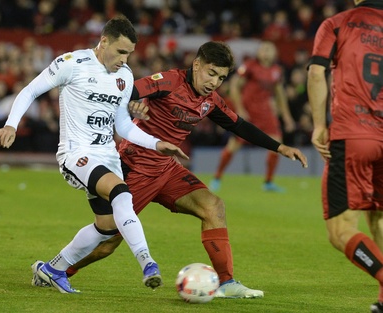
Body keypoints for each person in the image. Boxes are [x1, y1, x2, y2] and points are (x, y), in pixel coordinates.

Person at [32, 41, 309, 298]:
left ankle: (226, 282)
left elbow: (238, 125)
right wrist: (132, 105)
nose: (214, 82)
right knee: (108, 241)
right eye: (211, 73)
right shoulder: (168, 81)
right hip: (134, 167)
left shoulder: (209, 100)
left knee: (213, 207)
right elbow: (124, 88)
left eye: (221, 78)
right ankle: (56, 271)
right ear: (197, 64)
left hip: (166, 169)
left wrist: (280, 148)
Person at [0, 15, 189, 294]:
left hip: (107, 156)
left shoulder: (124, 76)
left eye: (129, 53)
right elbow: (30, 90)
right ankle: (148, 263)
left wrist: (156, 143)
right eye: (121, 51)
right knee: (122, 193)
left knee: (107, 227)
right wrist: (11, 124)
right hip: (76, 154)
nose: (125, 59)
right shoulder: (72, 63)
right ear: (103, 41)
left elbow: (121, 125)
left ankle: (52, 269)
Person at [307, 1, 383, 312]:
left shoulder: (337, 23)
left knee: (340, 231)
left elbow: (316, 74)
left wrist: (319, 125)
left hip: (353, 133)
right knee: (378, 216)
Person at [210, 41, 295, 193]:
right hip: (249, 113)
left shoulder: (276, 70)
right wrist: (240, 108)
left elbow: (280, 95)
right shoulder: (250, 66)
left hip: (266, 114)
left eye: (270, 49)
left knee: (277, 145)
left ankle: (268, 182)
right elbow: (235, 85)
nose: (267, 52)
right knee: (233, 146)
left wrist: (287, 117)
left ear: (275, 53)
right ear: (259, 52)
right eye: (264, 49)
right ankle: (217, 177)